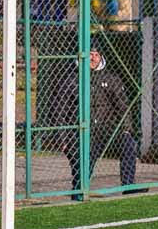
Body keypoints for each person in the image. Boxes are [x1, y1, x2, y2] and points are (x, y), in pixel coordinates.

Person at [62, 49, 147, 200]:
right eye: (90, 54)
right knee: (82, 159)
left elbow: (123, 106)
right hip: (85, 130)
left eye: (96, 55)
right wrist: (63, 139)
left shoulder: (111, 79)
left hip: (109, 128)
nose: (93, 58)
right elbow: (61, 110)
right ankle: (79, 191)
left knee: (128, 145)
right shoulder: (72, 80)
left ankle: (128, 186)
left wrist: (126, 129)